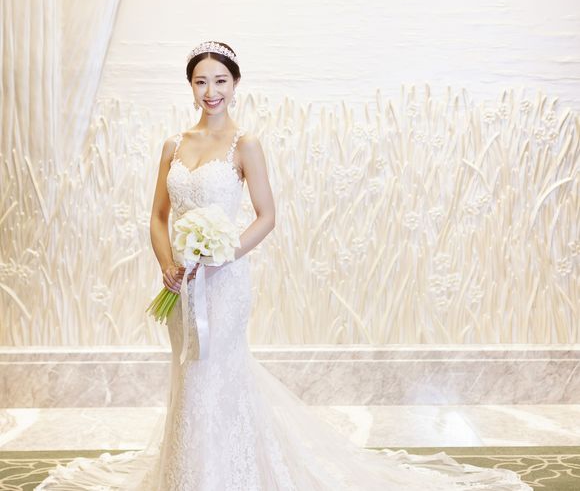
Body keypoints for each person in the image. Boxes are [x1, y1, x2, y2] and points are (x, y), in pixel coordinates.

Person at [35, 41, 533, 490]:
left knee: (217, 371)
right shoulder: (173, 145)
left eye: (220, 80)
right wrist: (168, 264)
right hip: (181, 283)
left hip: (225, 282)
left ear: (235, 84)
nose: (211, 91)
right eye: (201, 81)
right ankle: (186, 473)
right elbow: (158, 216)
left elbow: (266, 216)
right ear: (190, 86)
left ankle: (226, 477)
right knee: (187, 374)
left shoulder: (245, 145)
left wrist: (220, 255)